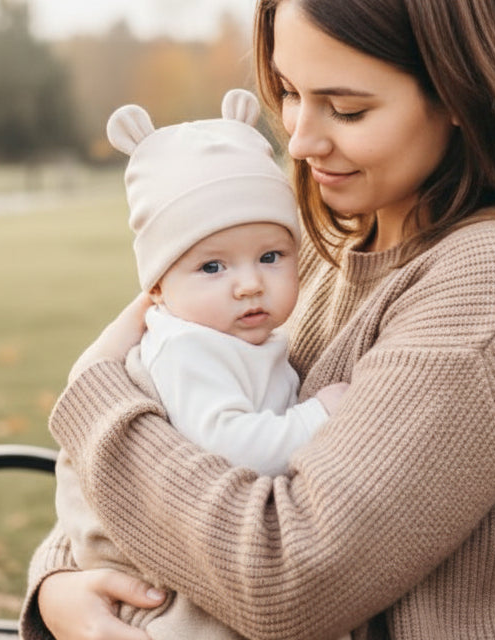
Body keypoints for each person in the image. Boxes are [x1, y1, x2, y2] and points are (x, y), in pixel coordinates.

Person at [22, 0, 495, 640]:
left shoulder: (494, 279)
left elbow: (287, 575)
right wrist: (62, 580)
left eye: (347, 108)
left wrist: (95, 405)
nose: (301, 142)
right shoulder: (316, 246)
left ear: (461, 93)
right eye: (287, 92)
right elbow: (170, 405)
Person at [54, 88, 350, 639]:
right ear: (158, 287)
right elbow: (228, 446)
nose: (248, 283)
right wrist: (316, 419)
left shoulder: (231, 335)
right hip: (167, 588)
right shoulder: (189, 350)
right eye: (212, 266)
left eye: (270, 256)